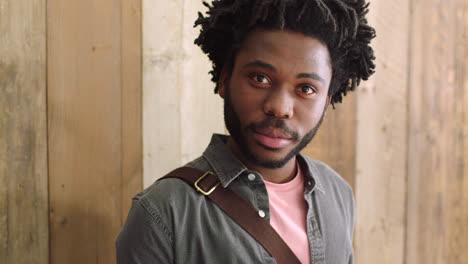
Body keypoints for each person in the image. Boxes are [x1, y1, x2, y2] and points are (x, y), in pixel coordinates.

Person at [116, 0, 376, 263]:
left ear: (328, 100)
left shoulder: (336, 192)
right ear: (225, 80)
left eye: (306, 88)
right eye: (260, 78)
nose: (279, 107)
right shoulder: (163, 212)